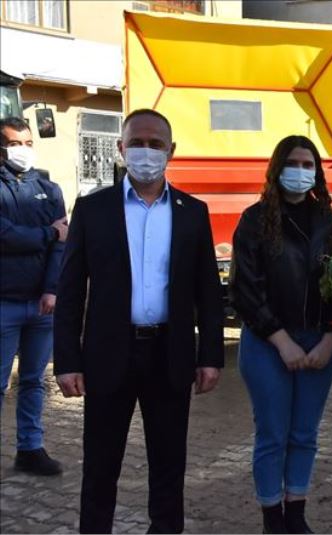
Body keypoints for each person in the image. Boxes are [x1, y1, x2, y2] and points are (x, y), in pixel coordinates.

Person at [53, 109, 224, 534]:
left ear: (171, 151)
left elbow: (208, 291)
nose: (146, 152)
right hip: (109, 354)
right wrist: (67, 360)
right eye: (137, 143)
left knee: (168, 466)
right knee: (100, 465)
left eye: (155, 144)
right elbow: (72, 290)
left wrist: (211, 356)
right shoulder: (93, 210)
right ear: (120, 148)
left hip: (169, 354)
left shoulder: (192, 212)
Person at [229, 135, 332, 534]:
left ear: (316, 172)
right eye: (293, 163)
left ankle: (296, 513)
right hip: (268, 344)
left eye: (308, 164)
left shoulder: (331, 222)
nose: (300, 172)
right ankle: (272, 519)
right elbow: (245, 289)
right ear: (276, 168)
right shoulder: (255, 220)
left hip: (319, 342)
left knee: (304, 433)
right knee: (273, 433)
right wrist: (279, 338)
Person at [0, 116, 67, 476]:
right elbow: (5, 236)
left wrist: (52, 289)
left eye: (27, 143)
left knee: (33, 380)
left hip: (42, 304)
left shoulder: (49, 188)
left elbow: (63, 243)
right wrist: (48, 234)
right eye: (14, 144)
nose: (23, 150)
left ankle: (30, 448)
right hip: (4, 302)